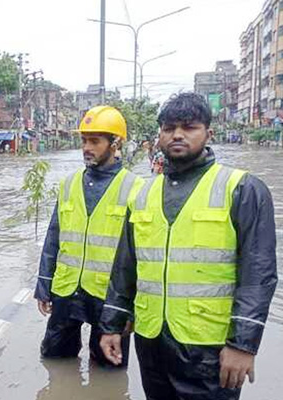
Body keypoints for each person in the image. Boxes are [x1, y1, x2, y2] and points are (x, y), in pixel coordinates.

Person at [100, 93, 278, 399]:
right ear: (159, 136)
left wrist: (242, 344)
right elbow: (125, 267)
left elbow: (258, 274)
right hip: (151, 339)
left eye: (189, 127)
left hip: (210, 347)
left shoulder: (242, 189)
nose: (177, 135)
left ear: (208, 134)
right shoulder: (143, 193)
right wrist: (111, 325)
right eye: (169, 128)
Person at [35, 105, 142, 368]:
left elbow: (141, 255)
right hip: (67, 289)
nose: (86, 147)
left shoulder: (136, 189)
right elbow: (53, 238)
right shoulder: (69, 184)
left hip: (109, 295)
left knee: (109, 368)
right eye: (84, 140)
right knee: (54, 359)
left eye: (95, 141)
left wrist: (132, 306)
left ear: (115, 143)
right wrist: (43, 284)